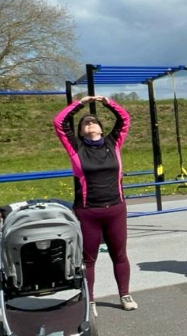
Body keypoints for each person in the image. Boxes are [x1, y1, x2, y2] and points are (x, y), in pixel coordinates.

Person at [54, 95, 137, 315]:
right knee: (88, 259)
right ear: (81, 131)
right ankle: (90, 300)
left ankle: (124, 294)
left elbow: (125, 119)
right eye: (85, 123)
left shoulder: (113, 142)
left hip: (116, 209)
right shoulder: (75, 147)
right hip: (88, 211)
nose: (89, 123)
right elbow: (59, 123)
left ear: (100, 128)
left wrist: (107, 103)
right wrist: (79, 104)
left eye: (94, 121)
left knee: (119, 254)